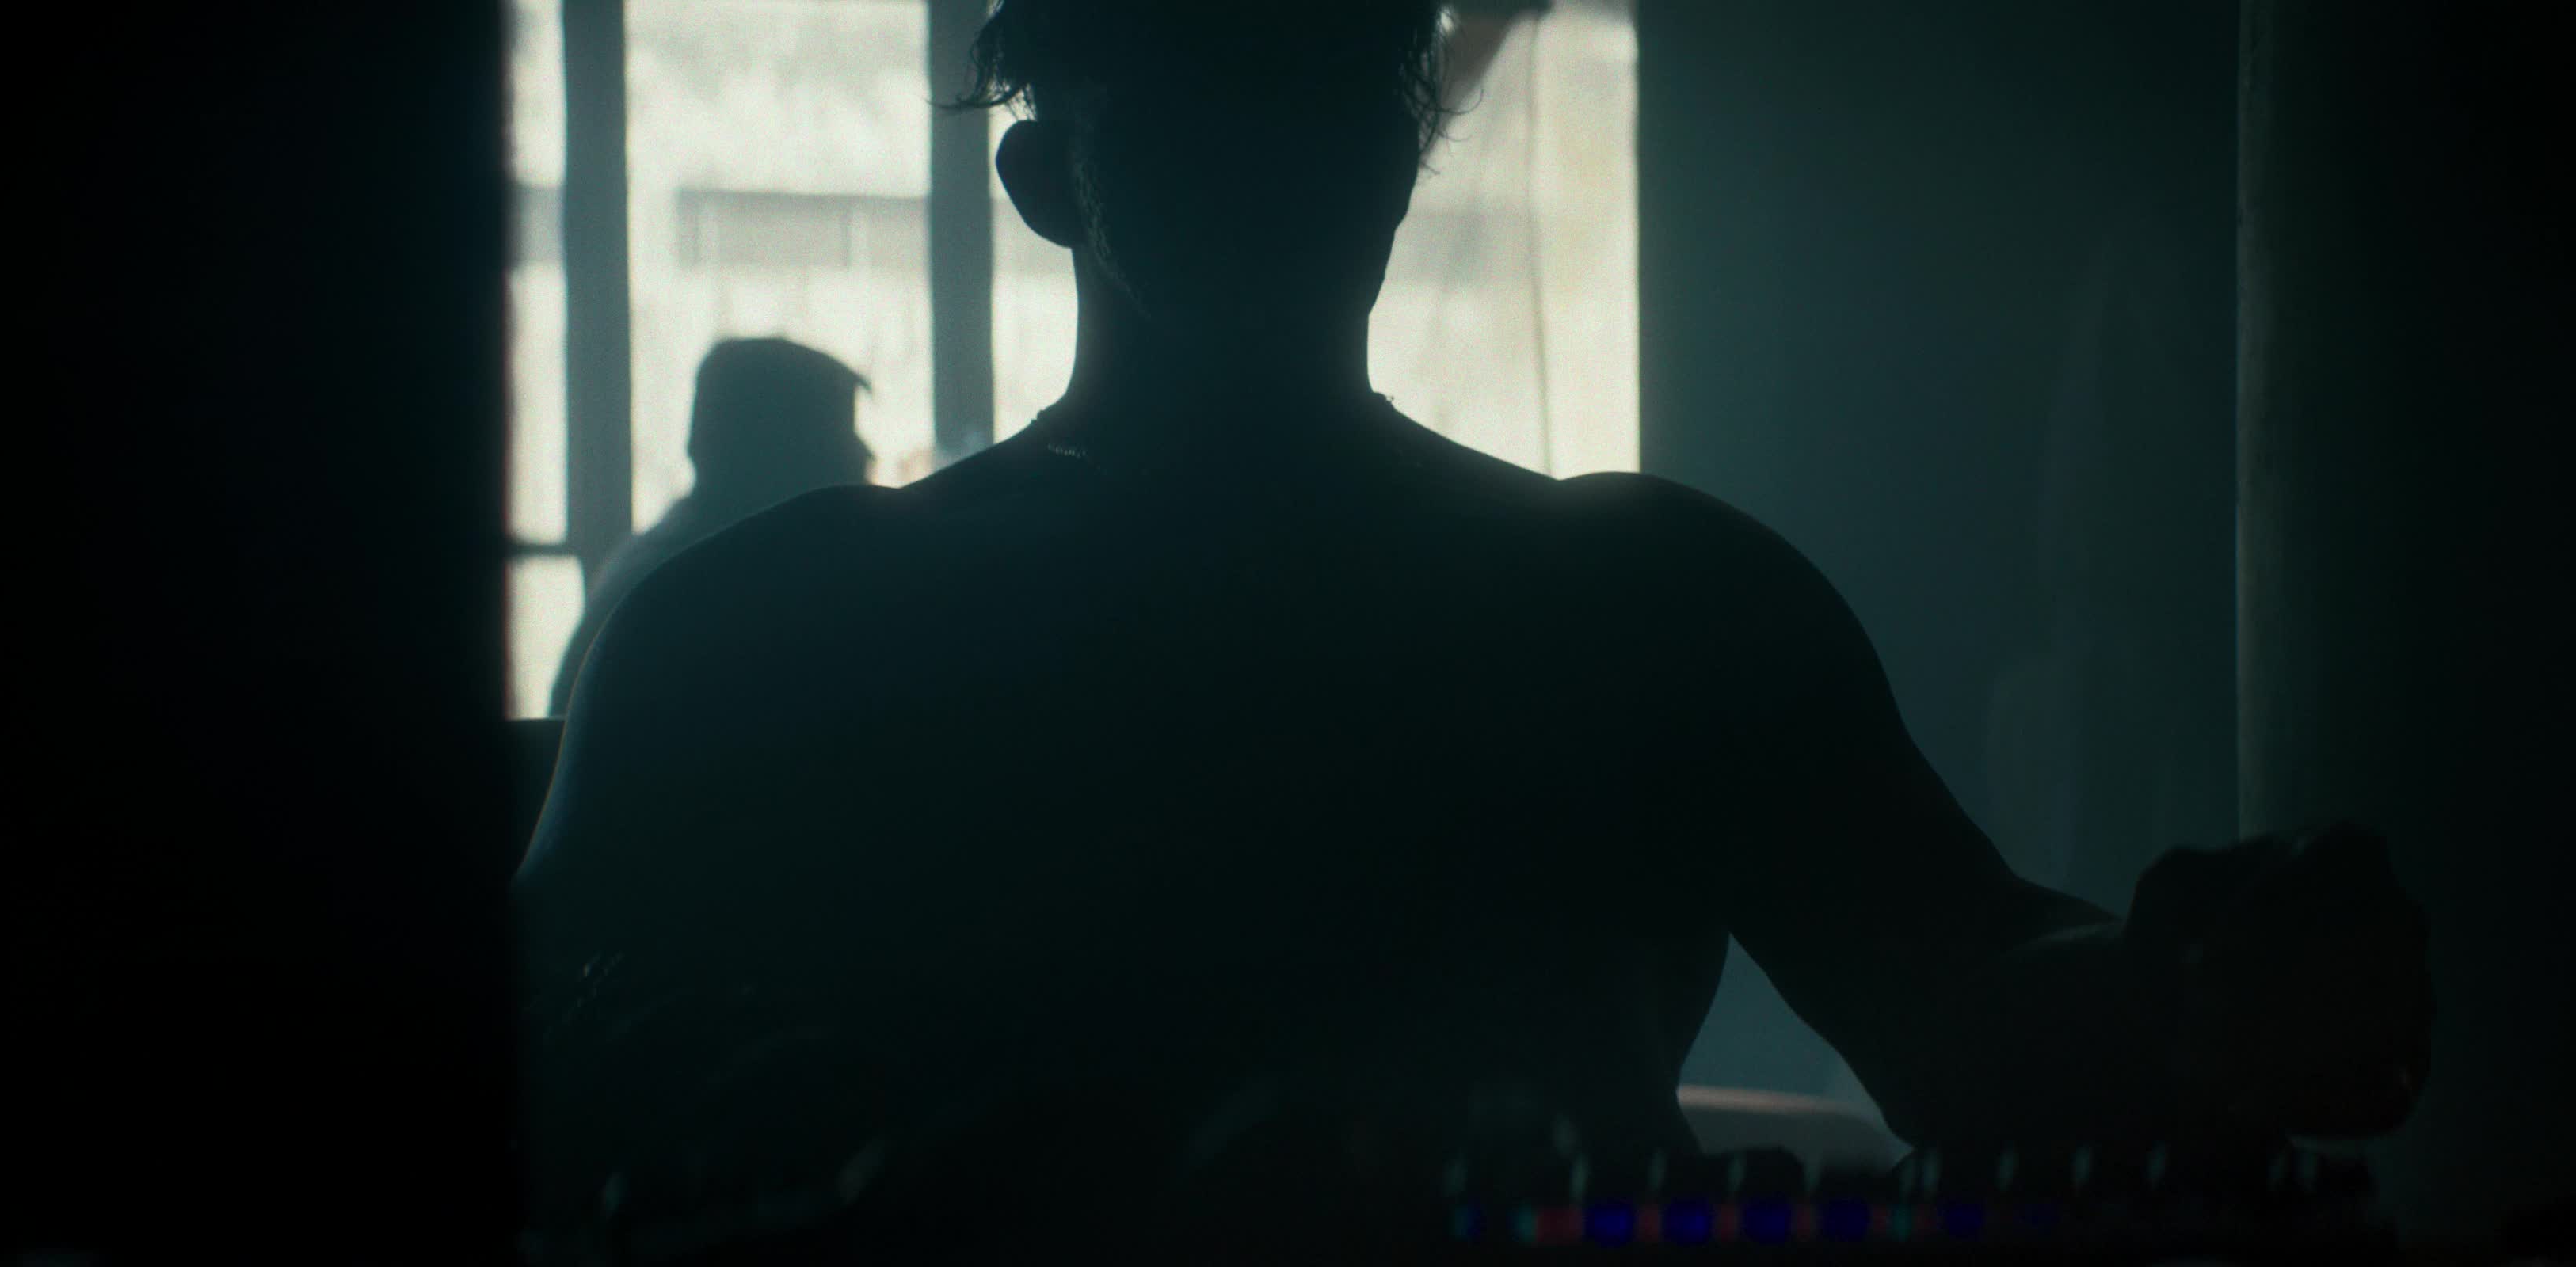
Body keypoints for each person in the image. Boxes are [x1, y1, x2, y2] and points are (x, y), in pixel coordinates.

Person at [513, 2, 2432, 1257]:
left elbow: (1957, 979)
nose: (1280, 126)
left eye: (1327, 66)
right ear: (1040, 175)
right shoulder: (776, 624)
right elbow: (549, 1070)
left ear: (1400, 134)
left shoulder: (1653, 598)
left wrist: (2192, 982)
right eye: (1205, 73)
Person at [546, 337, 872, 717]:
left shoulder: (674, 560)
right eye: (839, 432)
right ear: (774, 446)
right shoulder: (718, 586)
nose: (864, 453)